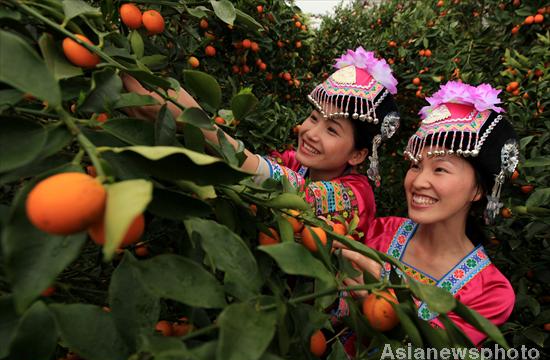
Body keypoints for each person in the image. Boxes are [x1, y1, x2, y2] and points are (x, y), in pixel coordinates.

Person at [122, 47, 401, 233]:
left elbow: (299, 194)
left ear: (358, 155)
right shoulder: (293, 161)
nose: (311, 132)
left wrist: (203, 126)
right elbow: (251, 169)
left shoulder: (357, 195)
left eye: (332, 130)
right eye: (314, 118)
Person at [338, 81, 518, 347]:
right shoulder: (378, 231)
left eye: (440, 169)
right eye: (415, 165)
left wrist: (386, 301)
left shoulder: (490, 292)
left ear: (478, 190)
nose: (419, 181)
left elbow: (436, 358)